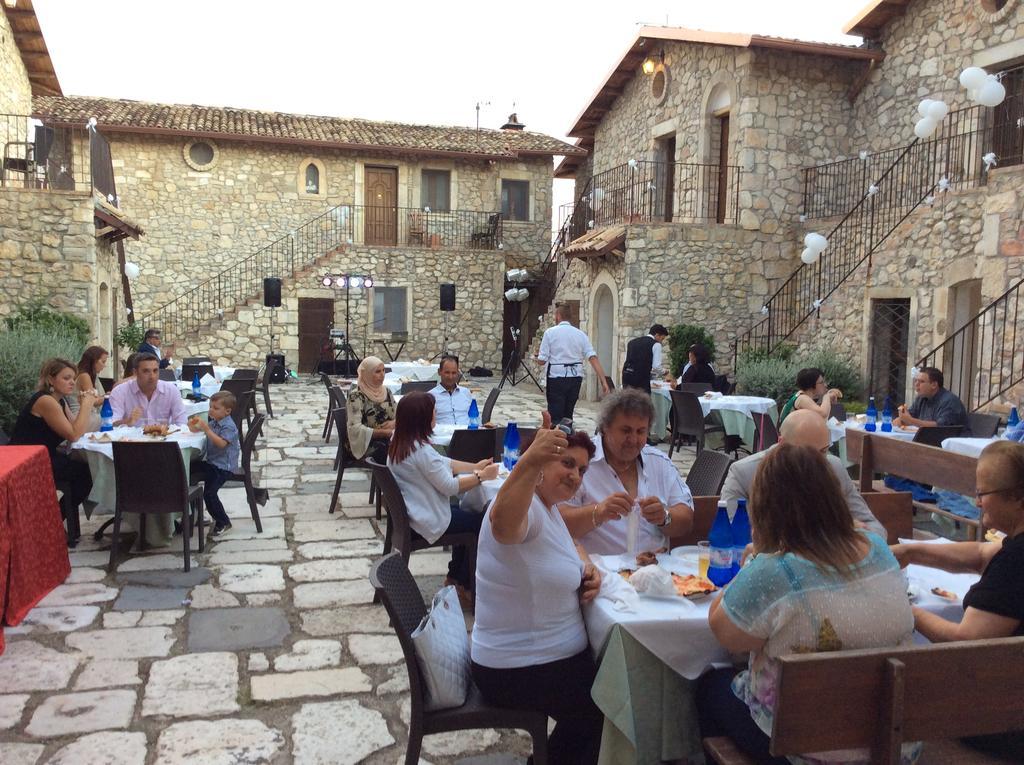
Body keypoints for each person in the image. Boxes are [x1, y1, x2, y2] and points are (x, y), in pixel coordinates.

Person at [698, 444, 919, 765]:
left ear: (765, 506)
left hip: (804, 749)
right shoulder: (878, 548)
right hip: (893, 746)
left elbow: (724, 631)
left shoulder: (775, 569)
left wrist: (755, 559)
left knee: (710, 687)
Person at [471, 415, 604, 765]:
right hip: (517, 668)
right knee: (608, 703)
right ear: (542, 464)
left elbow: (567, 544)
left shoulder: (549, 508)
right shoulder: (525, 504)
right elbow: (504, 525)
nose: (575, 475)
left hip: (543, 659)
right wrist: (529, 460)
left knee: (615, 684)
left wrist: (585, 565)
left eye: (582, 469)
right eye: (567, 463)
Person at [892, 440, 1024, 641]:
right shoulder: (1014, 548)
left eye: (982, 493)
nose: (978, 502)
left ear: (1018, 499)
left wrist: (903, 609)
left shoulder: (1015, 560)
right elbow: (981, 554)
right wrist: (910, 553)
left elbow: (965, 640)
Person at [387, 392, 498, 595]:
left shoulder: (401, 441)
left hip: (414, 513)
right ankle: (464, 583)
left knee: (465, 509)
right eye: (433, 412)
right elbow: (450, 487)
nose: (436, 415)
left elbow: (443, 463)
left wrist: (474, 466)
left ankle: (455, 577)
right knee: (482, 521)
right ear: (423, 419)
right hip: (426, 519)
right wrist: (482, 477)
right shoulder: (420, 451)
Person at [560, 388, 694, 554]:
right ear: (605, 428)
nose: (633, 440)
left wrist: (664, 517)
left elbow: (686, 518)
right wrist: (598, 512)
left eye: (640, 431)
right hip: (599, 573)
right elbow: (557, 523)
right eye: (625, 430)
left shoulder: (659, 463)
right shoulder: (581, 462)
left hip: (655, 571)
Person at [721, 409, 885, 536]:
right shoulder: (745, 473)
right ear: (782, 444)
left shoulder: (833, 467)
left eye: (824, 451)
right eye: (808, 453)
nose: (818, 461)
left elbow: (875, 528)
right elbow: (728, 534)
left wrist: (854, 535)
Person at [10, 358, 97, 514]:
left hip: (43, 456)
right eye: (66, 378)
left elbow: (77, 429)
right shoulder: (45, 401)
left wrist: (85, 404)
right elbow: (74, 435)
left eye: (73, 379)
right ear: (51, 379)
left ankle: (54, 519)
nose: (72, 383)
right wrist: (86, 405)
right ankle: (53, 519)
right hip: (26, 462)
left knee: (85, 471)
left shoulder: (59, 401)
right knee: (86, 475)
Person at [535, 302, 610, 422]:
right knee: (568, 412)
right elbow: (592, 357)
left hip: (556, 376)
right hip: (575, 376)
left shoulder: (550, 333)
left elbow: (542, 361)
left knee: (555, 412)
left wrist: (536, 358)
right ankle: (568, 435)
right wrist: (603, 381)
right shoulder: (581, 335)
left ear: (558, 315)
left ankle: (557, 436)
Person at [187, 391, 240, 537]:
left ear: (227, 411)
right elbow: (198, 430)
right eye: (210, 407)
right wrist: (193, 425)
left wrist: (206, 429)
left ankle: (223, 521)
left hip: (223, 467)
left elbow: (221, 443)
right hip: (212, 463)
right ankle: (194, 514)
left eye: (215, 408)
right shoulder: (215, 422)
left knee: (209, 493)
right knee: (187, 472)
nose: (211, 410)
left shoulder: (228, 426)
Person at [107, 353, 187, 427]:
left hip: (163, 440)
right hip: (131, 440)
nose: (152, 376)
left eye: (155, 371)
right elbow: (110, 424)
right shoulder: (120, 392)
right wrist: (127, 421)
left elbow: (181, 423)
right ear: (135, 372)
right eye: (146, 371)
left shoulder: (171, 390)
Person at [346, 356, 396, 463]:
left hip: (388, 438)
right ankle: (388, 479)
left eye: (384, 370)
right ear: (366, 374)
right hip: (365, 443)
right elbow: (355, 428)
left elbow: (398, 414)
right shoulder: (356, 396)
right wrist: (383, 433)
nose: (382, 375)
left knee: (413, 447)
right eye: (377, 371)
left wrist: (394, 422)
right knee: (397, 452)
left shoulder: (387, 391)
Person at [894, 366, 970, 434]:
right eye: (916, 381)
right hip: (931, 441)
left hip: (954, 445)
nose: (916, 384)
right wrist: (901, 419)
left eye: (921, 381)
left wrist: (910, 421)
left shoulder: (949, 401)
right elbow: (910, 416)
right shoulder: (921, 398)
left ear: (934, 385)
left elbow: (939, 427)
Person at [778, 367, 842, 424]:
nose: (825, 385)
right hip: (790, 436)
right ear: (811, 385)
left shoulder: (801, 395)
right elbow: (823, 414)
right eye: (821, 382)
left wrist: (828, 400)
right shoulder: (802, 399)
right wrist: (827, 396)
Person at [66, 345, 109, 429]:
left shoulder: (89, 375)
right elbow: (93, 401)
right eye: (103, 362)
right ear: (94, 361)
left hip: (87, 415)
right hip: (82, 416)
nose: (104, 366)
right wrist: (109, 397)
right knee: (111, 421)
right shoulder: (84, 376)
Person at [621, 323, 668, 395]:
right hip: (641, 380)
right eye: (662, 338)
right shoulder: (656, 344)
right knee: (642, 404)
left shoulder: (632, 342)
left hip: (627, 376)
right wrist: (664, 372)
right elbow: (656, 367)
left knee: (628, 402)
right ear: (657, 335)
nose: (661, 341)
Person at [429, 355, 473, 426]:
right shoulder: (430, 396)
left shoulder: (466, 393)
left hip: (467, 434)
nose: (450, 377)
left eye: (454, 373)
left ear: (458, 373)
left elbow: (474, 417)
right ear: (439, 372)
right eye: (447, 372)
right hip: (443, 435)